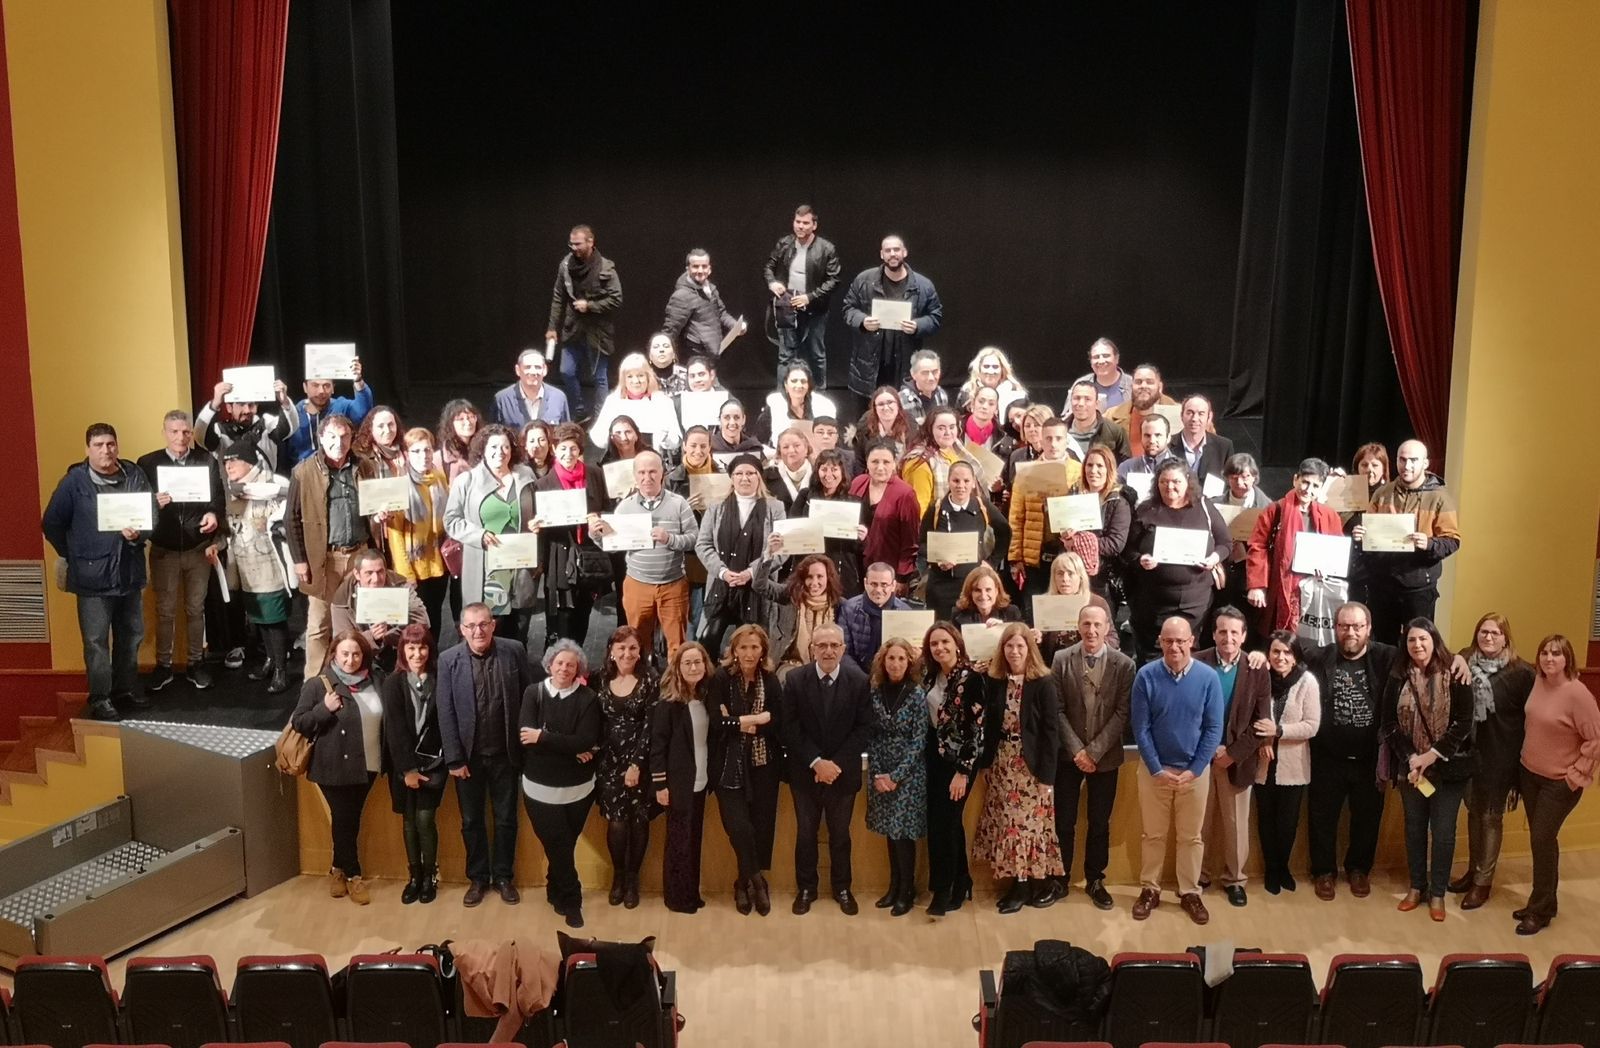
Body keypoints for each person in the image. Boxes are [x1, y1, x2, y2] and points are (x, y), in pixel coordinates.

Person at [42, 423, 154, 721]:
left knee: (131, 635)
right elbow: (51, 523)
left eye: (110, 444)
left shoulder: (134, 475)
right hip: (92, 579)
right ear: (88, 449)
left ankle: (124, 689)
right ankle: (101, 697)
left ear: (117, 446)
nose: (106, 450)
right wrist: (74, 553)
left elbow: (150, 515)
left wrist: (139, 534)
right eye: (99, 445)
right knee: (96, 642)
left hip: (129, 573)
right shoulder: (74, 482)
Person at [1130, 616, 1224, 925]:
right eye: (1168, 641)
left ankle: (1189, 892)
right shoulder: (1145, 676)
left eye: (1180, 641)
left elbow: (1213, 729)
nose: (1174, 647)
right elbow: (1140, 728)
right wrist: (1156, 768)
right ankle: (1150, 889)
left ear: (1191, 641)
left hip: (1194, 774)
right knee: (1152, 835)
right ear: (1160, 642)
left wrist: (1195, 769)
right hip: (1154, 772)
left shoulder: (1208, 678)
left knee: (1191, 837)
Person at [437, 603, 532, 907]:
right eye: (471, 626)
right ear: (461, 630)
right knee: (471, 821)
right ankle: (478, 878)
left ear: (493, 625)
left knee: (506, 820)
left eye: (483, 624)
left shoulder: (514, 651)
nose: (478, 631)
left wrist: (525, 747)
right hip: (469, 760)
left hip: (506, 755)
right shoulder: (448, 660)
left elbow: (528, 697)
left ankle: (503, 877)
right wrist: (454, 758)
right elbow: (445, 712)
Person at [1304, 600, 1398, 901]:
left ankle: (1359, 869)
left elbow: (1428, 650)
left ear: (1368, 628)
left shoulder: (1386, 657)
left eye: (1357, 626)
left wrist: (1459, 660)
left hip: (1369, 760)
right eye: (1344, 626)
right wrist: (1258, 653)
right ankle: (1323, 872)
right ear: (1335, 628)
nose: (1351, 632)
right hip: (1327, 757)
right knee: (1322, 818)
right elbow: (1284, 649)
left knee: (1367, 819)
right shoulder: (1320, 656)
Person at [1381, 617, 1474, 921]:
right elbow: (1389, 724)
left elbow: (1463, 723)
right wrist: (1411, 757)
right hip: (1412, 770)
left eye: (1423, 638)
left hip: (1448, 769)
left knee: (1444, 833)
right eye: (1411, 640)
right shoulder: (1398, 675)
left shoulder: (1456, 672)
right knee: (1414, 829)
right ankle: (1416, 887)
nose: (1417, 644)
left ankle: (1437, 893)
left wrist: (1430, 756)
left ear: (1434, 640)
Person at [781, 623, 875, 915]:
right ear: (812, 650)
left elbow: (864, 728)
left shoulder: (859, 681)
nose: (828, 651)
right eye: (822, 645)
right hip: (805, 772)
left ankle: (842, 888)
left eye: (834, 645)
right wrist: (816, 762)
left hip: (842, 774)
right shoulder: (795, 679)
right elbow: (789, 727)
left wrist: (835, 765)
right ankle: (806, 889)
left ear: (843, 649)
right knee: (805, 834)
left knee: (840, 835)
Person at [1047, 603, 1133, 910]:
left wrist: (1093, 752)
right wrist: (1077, 751)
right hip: (1068, 757)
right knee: (1063, 821)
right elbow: (1056, 710)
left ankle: (1095, 879)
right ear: (1078, 626)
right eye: (1086, 624)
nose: (1091, 630)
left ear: (1108, 627)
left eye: (1097, 624)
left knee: (1099, 822)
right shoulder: (1061, 659)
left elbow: (1122, 713)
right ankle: (1059, 879)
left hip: (1105, 758)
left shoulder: (1124, 665)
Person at [973, 622, 1063, 913]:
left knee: (1023, 827)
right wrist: (986, 764)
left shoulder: (1043, 682)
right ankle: (1018, 882)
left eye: (1020, 646)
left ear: (1029, 649)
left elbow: (1051, 731)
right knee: (1007, 825)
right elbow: (989, 724)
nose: (1014, 651)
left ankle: (1024, 886)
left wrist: (1047, 777)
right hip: (1002, 761)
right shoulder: (997, 680)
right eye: (1009, 646)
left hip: (1030, 767)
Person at [1514, 633, 1600, 935]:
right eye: (1545, 653)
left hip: (1559, 783)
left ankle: (1538, 910)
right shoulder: (1539, 682)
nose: (1549, 658)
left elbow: (1596, 739)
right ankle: (1545, 904)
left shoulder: (1577, 694)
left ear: (1567, 659)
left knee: (1541, 838)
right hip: (1530, 775)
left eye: (1556, 653)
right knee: (1543, 841)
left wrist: (1575, 776)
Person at [1448, 613, 1535, 909]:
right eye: (1483, 632)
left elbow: (1533, 716)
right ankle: (1473, 872)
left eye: (1495, 633)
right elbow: (1446, 658)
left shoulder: (1521, 673)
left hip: (1502, 756)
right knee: (1474, 812)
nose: (1488, 637)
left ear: (1505, 638)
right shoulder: (1465, 661)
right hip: (1470, 754)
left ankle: (1483, 883)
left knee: (1490, 817)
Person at [292, 629, 384, 905]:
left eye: (356, 654)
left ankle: (337, 868)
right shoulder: (318, 685)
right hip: (332, 766)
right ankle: (353, 874)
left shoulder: (377, 679)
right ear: (334, 654)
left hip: (368, 763)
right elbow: (299, 722)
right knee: (344, 817)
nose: (350, 660)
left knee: (349, 819)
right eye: (345, 654)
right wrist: (324, 709)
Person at [137, 410, 224, 692]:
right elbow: (136, 505)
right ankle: (163, 666)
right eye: (174, 431)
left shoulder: (206, 460)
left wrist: (213, 514)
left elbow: (218, 498)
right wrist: (153, 503)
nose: (180, 437)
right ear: (164, 432)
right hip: (164, 549)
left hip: (198, 548)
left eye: (186, 431)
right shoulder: (148, 463)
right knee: (164, 611)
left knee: (196, 609)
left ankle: (196, 663)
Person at [520, 638, 603, 928]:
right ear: (550, 665)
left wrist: (544, 737)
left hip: (579, 790)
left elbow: (586, 740)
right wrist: (568, 746)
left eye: (570, 665)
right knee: (558, 845)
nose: (564, 668)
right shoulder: (533, 693)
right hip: (539, 789)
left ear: (578, 668)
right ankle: (572, 899)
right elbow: (526, 738)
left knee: (563, 846)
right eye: (559, 663)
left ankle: (553, 887)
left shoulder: (589, 698)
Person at [287, 414, 376, 681]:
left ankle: (356, 678)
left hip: (360, 556)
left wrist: (379, 517)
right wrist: (299, 560)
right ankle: (314, 684)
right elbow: (291, 518)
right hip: (323, 559)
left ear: (352, 438)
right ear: (321, 438)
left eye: (345, 436)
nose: (339, 442)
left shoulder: (365, 466)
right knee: (319, 625)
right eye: (332, 437)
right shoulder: (303, 471)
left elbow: (374, 507)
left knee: (359, 621)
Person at [1195, 607, 1272, 907]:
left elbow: (1261, 722)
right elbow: (1189, 713)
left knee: (1236, 825)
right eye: (1222, 631)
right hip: (1201, 759)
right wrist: (1209, 750)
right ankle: (1198, 876)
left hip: (1238, 760)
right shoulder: (1197, 662)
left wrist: (1232, 753)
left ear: (1244, 636)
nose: (1228, 637)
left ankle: (1235, 880)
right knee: (1199, 824)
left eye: (1234, 632)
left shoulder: (1257, 668)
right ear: (1214, 634)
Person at [1354, 440, 1462, 644]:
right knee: (1382, 646)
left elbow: (1452, 541)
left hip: (1418, 588)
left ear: (1425, 463)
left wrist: (1429, 544)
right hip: (1382, 585)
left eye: (1413, 460)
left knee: (1419, 643)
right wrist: (1361, 537)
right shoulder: (1382, 493)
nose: (1407, 466)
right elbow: (1369, 537)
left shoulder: (1440, 497)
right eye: (1402, 460)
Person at [707, 624, 783, 912]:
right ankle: (758, 882)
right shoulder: (721, 678)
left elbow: (778, 722)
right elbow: (717, 722)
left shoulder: (771, 680)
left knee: (759, 829)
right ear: (734, 650)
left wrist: (738, 722)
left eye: (755, 647)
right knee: (739, 828)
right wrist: (754, 719)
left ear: (763, 650)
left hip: (763, 766)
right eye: (743, 647)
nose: (749, 653)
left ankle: (742, 883)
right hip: (728, 766)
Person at [1123, 461, 1231, 660]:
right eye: (1163, 481)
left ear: (1188, 481)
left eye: (1175, 481)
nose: (1169, 486)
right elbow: (1128, 550)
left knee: (1189, 654)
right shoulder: (1147, 509)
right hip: (1153, 604)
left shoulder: (1204, 507)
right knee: (1153, 657)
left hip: (1195, 603)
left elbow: (1225, 543)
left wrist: (1214, 558)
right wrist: (1141, 559)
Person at [443, 424, 538, 642]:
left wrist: (536, 523)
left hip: (520, 567)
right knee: (487, 635)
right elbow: (451, 520)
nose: (500, 452)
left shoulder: (525, 476)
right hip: (485, 572)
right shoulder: (467, 481)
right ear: (483, 450)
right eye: (493, 447)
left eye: (505, 447)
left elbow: (537, 509)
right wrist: (478, 535)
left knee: (518, 634)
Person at [600, 449, 698, 658]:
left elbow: (694, 539)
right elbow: (612, 545)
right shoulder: (624, 507)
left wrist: (670, 539)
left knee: (677, 646)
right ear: (634, 475)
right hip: (637, 585)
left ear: (662, 472)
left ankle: (675, 679)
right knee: (638, 644)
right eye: (642, 472)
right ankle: (644, 677)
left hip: (673, 585)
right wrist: (597, 535)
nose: (647, 477)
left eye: (653, 471)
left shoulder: (679, 503)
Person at [217, 440, 293, 694]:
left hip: (271, 564)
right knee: (259, 617)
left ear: (249, 462)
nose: (228, 466)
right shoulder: (230, 490)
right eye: (225, 462)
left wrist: (274, 525)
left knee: (274, 618)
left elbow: (290, 510)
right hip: (245, 564)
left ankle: (281, 670)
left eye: (234, 461)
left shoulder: (275, 483)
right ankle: (270, 660)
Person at [922, 621, 986, 915]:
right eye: (934, 644)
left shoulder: (971, 678)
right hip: (935, 758)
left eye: (945, 642)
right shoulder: (929, 676)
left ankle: (942, 890)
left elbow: (976, 729)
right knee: (942, 822)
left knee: (945, 823)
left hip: (961, 761)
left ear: (957, 645)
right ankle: (962, 880)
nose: (940, 648)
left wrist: (963, 771)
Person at [381, 623, 447, 905]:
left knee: (424, 819)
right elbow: (394, 730)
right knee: (408, 822)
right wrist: (407, 770)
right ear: (402, 650)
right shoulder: (392, 683)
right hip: (403, 764)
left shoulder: (441, 678)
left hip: (434, 763)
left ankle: (430, 876)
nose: (417, 654)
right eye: (411, 648)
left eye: (422, 648)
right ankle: (414, 877)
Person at [593, 627, 657, 909]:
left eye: (632, 647)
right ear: (611, 651)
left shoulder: (650, 680)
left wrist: (636, 764)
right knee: (617, 822)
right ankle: (618, 875)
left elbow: (651, 726)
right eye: (621, 648)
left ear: (640, 651)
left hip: (640, 761)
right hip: (609, 762)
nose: (627, 653)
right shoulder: (599, 678)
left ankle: (633, 878)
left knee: (639, 821)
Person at [696, 454, 787, 652]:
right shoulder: (715, 507)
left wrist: (751, 573)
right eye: (739, 473)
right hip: (721, 586)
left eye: (750, 473)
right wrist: (722, 572)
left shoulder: (775, 508)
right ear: (731, 477)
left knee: (753, 647)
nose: (745, 478)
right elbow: (703, 545)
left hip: (756, 589)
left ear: (759, 476)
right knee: (707, 642)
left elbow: (781, 550)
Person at [1245, 458, 1346, 635]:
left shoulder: (1330, 516)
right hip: (1279, 587)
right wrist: (1257, 585)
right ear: (1295, 479)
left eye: (1315, 486)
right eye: (1305, 482)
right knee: (1278, 638)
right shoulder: (1275, 510)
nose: (1308, 489)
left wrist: (1328, 569)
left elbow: (1336, 552)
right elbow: (1258, 546)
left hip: (1314, 590)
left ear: (1322, 488)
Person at [649, 641, 713, 913]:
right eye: (687, 663)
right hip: (678, 784)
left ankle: (691, 893)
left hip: (701, 780)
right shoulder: (669, 704)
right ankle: (676, 898)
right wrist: (660, 784)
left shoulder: (707, 698)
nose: (693, 667)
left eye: (698, 662)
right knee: (678, 844)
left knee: (693, 840)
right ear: (677, 667)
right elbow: (657, 747)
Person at [532, 423, 610, 648]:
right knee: (561, 620)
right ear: (554, 450)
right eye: (563, 448)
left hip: (589, 555)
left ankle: (577, 661)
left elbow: (606, 506)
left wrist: (598, 518)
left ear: (580, 450)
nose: (569, 454)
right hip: (559, 557)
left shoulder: (594, 474)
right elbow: (541, 527)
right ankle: (557, 663)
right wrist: (537, 526)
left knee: (583, 617)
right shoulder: (542, 484)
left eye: (573, 449)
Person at [866, 637, 928, 916]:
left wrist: (896, 776)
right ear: (883, 661)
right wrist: (880, 774)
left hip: (908, 775)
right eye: (891, 658)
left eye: (901, 658)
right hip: (881, 769)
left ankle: (907, 890)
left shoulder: (917, 694)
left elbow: (919, 740)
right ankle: (893, 887)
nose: (896, 663)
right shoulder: (875, 692)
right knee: (890, 834)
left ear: (909, 662)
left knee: (903, 834)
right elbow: (872, 734)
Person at [1256, 631, 1321, 894]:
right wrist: (1263, 739)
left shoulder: (1307, 682)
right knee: (1266, 820)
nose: (1281, 657)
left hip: (1293, 766)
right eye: (1275, 651)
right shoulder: (1260, 678)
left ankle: (1283, 867)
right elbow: (1252, 716)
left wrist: (1278, 731)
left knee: (1287, 823)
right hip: (1263, 763)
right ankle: (1271, 870)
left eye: (1287, 652)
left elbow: (1312, 726)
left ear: (1295, 657)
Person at [842, 235, 943, 399]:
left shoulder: (923, 285)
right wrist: (862, 321)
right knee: (867, 412)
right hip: (869, 364)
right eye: (888, 250)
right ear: (882, 254)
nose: (892, 254)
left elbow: (935, 317)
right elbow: (848, 308)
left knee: (903, 410)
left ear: (905, 252)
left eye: (896, 249)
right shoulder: (864, 280)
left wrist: (918, 325)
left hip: (905, 363)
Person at [545, 224, 623, 422]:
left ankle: (602, 418)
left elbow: (616, 299)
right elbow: (558, 297)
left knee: (599, 377)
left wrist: (590, 305)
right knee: (566, 371)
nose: (574, 248)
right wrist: (552, 327)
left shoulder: (605, 267)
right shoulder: (566, 266)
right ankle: (579, 409)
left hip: (597, 331)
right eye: (571, 244)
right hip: (573, 328)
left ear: (590, 242)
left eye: (578, 244)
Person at [764, 205, 843, 387]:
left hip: (815, 310)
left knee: (816, 354)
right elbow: (769, 266)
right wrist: (772, 282)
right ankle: (783, 394)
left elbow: (834, 279)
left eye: (805, 223)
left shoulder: (826, 249)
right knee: (786, 355)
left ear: (814, 225)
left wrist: (810, 297)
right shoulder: (785, 243)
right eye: (797, 222)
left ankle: (820, 394)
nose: (800, 226)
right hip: (788, 307)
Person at [384, 428, 450, 642]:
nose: (424, 456)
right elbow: (395, 537)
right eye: (416, 451)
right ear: (406, 454)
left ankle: (433, 658)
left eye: (427, 450)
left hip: (439, 564)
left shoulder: (439, 478)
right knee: (416, 625)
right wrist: (406, 574)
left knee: (435, 618)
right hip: (414, 567)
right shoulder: (399, 484)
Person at [1006, 418, 1086, 594]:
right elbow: (1016, 517)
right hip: (1035, 554)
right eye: (1048, 439)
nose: (1053, 444)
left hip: (1068, 553)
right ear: (1041, 440)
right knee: (1035, 605)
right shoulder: (1026, 473)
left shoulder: (1079, 471)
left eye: (1058, 438)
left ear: (1066, 441)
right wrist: (1016, 558)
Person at [923, 460, 1009, 622]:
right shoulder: (936, 508)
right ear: (948, 482)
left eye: (966, 481)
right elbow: (922, 544)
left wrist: (991, 562)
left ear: (973, 482)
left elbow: (1005, 532)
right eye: (956, 481)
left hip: (973, 587)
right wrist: (936, 560)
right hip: (941, 586)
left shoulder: (982, 506)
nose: (961, 486)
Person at [329, 548, 429, 671]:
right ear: (357, 574)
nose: (376, 579)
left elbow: (422, 621)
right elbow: (341, 643)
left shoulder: (400, 585)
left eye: (380, 572)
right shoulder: (343, 598)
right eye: (369, 573)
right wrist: (371, 637)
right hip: (361, 657)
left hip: (398, 650)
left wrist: (390, 633)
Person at [849, 441, 923, 595]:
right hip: (856, 567)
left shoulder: (905, 493)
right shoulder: (857, 483)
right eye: (875, 462)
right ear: (867, 462)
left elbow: (911, 541)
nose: (880, 467)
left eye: (886, 462)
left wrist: (902, 578)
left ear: (894, 463)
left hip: (888, 572)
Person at [1066, 445, 1133, 608]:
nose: (1093, 470)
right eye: (1089, 465)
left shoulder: (1119, 503)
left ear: (1109, 469)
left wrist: (1079, 542)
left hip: (1102, 580)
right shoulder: (1073, 496)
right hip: (1072, 576)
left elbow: (1115, 544)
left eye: (1099, 466)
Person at [195, 374, 299, 472]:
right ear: (229, 408)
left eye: (251, 405)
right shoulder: (221, 431)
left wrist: (285, 402)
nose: (247, 410)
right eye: (241, 404)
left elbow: (290, 427)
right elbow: (200, 437)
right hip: (232, 485)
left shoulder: (267, 424)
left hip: (265, 484)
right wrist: (214, 404)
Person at [762, 553, 843, 676]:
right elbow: (760, 585)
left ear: (828, 578)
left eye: (820, 576)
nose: (814, 582)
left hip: (827, 664)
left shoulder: (839, 605)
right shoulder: (790, 596)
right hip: (792, 663)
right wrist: (768, 556)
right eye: (809, 577)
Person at [283, 356, 373, 464]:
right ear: (305, 387)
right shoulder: (293, 415)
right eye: (315, 385)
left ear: (333, 388)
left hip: (338, 469)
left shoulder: (341, 407)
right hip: (303, 471)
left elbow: (363, 411)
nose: (321, 391)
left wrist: (358, 380)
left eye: (326, 385)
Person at [589, 352, 683, 455]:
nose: (636, 381)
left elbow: (676, 440)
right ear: (623, 379)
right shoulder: (613, 401)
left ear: (648, 377)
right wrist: (614, 437)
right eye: (630, 376)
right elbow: (598, 437)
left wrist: (665, 439)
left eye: (640, 375)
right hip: (620, 460)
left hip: (653, 459)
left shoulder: (663, 401)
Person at [662, 248, 743, 359]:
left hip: (713, 352)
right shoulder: (681, 296)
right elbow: (670, 330)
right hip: (694, 355)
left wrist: (735, 326)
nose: (700, 271)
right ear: (688, 269)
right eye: (695, 266)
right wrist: (666, 357)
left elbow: (721, 313)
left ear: (709, 269)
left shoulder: (711, 289)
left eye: (704, 266)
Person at [1034, 552, 1112, 665]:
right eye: (1060, 574)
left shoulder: (1096, 603)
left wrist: (1096, 640)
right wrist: (1036, 640)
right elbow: (1038, 651)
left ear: (1080, 577)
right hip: (1054, 666)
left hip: (1089, 664)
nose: (1065, 579)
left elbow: (1112, 638)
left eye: (1070, 573)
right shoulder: (1043, 604)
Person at [837, 562, 911, 672]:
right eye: (874, 584)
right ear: (865, 583)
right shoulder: (849, 609)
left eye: (884, 585)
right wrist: (859, 677)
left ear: (893, 586)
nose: (878, 590)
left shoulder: (905, 612)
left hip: (894, 673)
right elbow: (844, 651)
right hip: (857, 673)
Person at [1104, 364, 1178, 460]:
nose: (1143, 386)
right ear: (1131, 386)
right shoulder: (1110, 416)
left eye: (1149, 382)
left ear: (1160, 387)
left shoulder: (1180, 414)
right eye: (1138, 382)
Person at [755, 362, 838, 448]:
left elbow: (831, 438)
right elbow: (760, 439)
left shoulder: (823, 405)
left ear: (808, 385)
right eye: (794, 381)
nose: (799, 385)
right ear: (786, 385)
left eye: (803, 381)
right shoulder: (775, 404)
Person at [494, 347, 573, 428]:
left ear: (545, 370)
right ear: (518, 370)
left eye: (538, 367)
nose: (533, 372)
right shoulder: (502, 399)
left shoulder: (558, 397)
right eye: (527, 367)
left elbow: (566, 433)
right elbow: (493, 433)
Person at [1061, 380, 1131, 462]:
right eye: (1077, 398)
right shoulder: (1059, 431)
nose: (1081, 403)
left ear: (1097, 404)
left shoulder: (1114, 431)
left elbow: (1126, 465)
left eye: (1087, 399)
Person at [1172, 394, 1234, 485]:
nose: (1194, 419)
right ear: (1181, 415)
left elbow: (1231, 483)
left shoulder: (1224, 447)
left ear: (1209, 417)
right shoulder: (1167, 445)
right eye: (1189, 413)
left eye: (1201, 414)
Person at [951, 563, 1024, 635]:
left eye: (988, 590)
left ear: (996, 591)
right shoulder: (958, 615)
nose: (983, 595)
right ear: (970, 592)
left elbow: (1022, 638)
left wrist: (1003, 628)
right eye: (977, 590)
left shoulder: (1012, 613)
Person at [955, 346, 1027, 413]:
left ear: (1002, 370)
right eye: (986, 366)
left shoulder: (1016, 392)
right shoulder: (967, 392)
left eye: (995, 367)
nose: (991, 371)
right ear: (979, 369)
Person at [1115, 412, 1178, 488]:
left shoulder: (1180, 468)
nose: (1152, 440)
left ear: (1168, 438)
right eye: (1147, 435)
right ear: (1141, 437)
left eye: (1158, 435)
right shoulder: (1127, 468)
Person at [762, 426, 814, 513]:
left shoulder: (820, 474)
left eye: (797, 445)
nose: (791, 450)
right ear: (779, 452)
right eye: (785, 447)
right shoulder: (766, 476)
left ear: (806, 449)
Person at [854, 384, 912, 461]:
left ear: (898, 405)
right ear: (875, 408)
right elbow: (860, 461)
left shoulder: (910, 424)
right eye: (881, 404)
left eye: (890, 402)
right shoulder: (864, 428)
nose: (886, 408)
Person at [1073, 337, 1133, 410]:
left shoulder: (1132, 384)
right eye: (1096, 357)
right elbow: (1068, 415)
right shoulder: (1080, 384)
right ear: (1090, 362)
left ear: (1116, 358)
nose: (1101, 361)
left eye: (1106, 356)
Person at [435, 398, 482, 485]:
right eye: (461, 419)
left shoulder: (485, 451)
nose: (468, 422)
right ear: (450, 423)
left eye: (471, 417)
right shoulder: (440, 458)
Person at [353, 405, 406, 478]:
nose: (387, 430)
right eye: (381, 426)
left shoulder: (407, 451)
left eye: (390, 424)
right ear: (370, 429)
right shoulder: (361, 458)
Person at [899, 349, 949, 425]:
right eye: (925, 373)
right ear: (913, 374)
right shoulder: (901, 400)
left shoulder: (941, 395)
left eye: (935, 372)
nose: (931, 378)